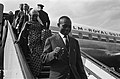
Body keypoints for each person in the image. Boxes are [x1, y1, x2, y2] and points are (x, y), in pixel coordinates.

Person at [16, 9, 43, 78]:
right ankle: (35, 73)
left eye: (35, 16)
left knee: (39, 57)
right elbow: (22, 31)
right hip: (31, 42)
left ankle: (37, 73)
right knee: (34, 56)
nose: (34, 17)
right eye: (33, 16)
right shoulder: (28, 23)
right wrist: (18, 40)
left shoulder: (39, 24)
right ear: (30, 16)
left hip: (39, 42)